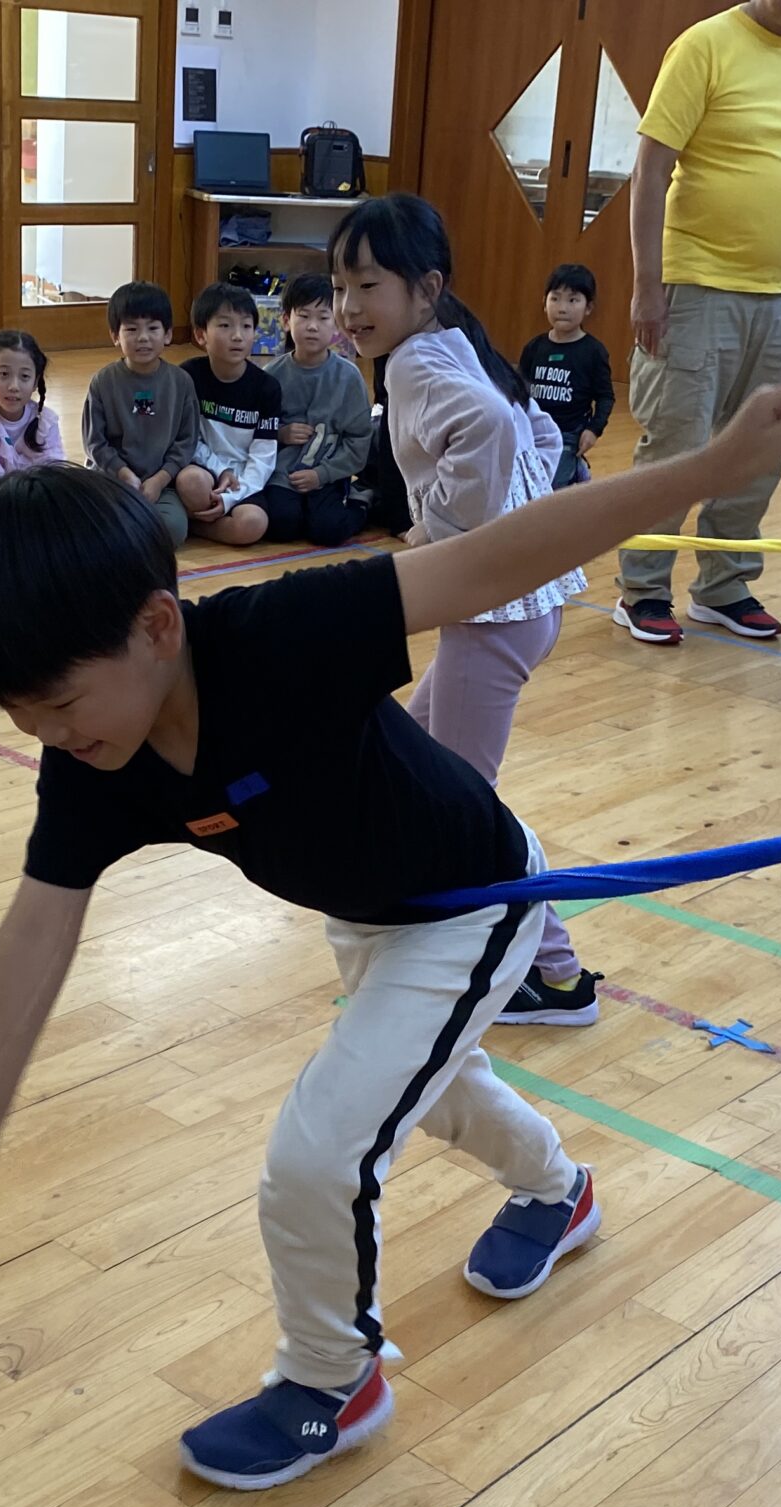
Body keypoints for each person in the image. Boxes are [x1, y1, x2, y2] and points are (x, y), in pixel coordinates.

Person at [0, 382, 781, 1489]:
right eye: (18, 717)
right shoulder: (92, 763)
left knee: (318, 1154)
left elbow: (490, 564)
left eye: (58, 704)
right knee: (435, 1091)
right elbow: (35, 931)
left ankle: (329, 1379)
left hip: (474, 899)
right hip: (368, 918)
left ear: (157, 627)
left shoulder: (282, 634)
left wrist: (708, 469)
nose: (44, 735)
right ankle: (560, 1192)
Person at [333, 193, 597, 1027]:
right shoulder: (454, 341)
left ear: (426, 287)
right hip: (520, 606)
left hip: (496, 616)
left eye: (368, 286)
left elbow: (488, 428)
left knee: (465, 805)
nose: (348, 307)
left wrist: (442, 539)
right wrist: (516, 516)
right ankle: (420, 912)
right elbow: (540, 435)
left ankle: (556, 976)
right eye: (339, 287)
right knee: (410, 759)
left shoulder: (416, 363)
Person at [617, 0, 781, 646]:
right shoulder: (704, 46)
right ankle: (642, 588)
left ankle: (724, 586)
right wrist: (647, 285)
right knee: (677, 443)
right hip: (695, 286)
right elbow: (650, 169)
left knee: (762, 447)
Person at [257, 274, 371, 547]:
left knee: (328, 530)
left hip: (328, 472)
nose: (312, 326)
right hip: (284, 475)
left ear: (336, 323)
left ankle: (361, 501)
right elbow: (256, 429)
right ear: (286, 321)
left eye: (323, 317)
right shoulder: (271, 375)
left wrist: (322, 474)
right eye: (304, 316)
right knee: (280, 524)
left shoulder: (348, 377)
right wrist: (281, 433)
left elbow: (358, 440)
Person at [82, 281, 196, 549]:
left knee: (173, 528)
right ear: (115, 336)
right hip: (111, 478)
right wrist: (124, 475)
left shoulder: (181, 382)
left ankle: (124, 535)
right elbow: (94, 442)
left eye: (153, 328)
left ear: (168, 334)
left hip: (161, 483)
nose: (143, 337)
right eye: (131, 329)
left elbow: (186, 441)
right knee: (88, 518)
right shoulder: (103, 381)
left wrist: (159, 479)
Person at [175, 284, 284, 546]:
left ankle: (195, 524)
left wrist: (231, 497)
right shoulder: (188, 376)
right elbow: (186, 440)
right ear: (201, 334)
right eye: (225, 326)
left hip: (243, 478)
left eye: (246, 326)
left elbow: (264, 456)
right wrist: (219, 469)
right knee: (191, 482)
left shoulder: (267, 387)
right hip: (205, 469)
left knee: (253, 524)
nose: (237, 336)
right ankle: (194, 516)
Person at [519, 263, 616, 490]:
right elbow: (518, 390)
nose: (562, 308)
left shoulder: (593, 351)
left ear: (588, 307)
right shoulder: (534, 347)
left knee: (550, 486)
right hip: (532, 430)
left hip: (568, 434)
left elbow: (605, 397)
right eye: (555, 299)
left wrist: (593, 429)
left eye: (573, 300)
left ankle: (574, 470)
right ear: (544, 303)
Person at [0, 329, 65, 480]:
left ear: (35, 382)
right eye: (4, 374)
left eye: (24, 376)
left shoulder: (46, 422)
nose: (14, 386)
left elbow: (53, 473)